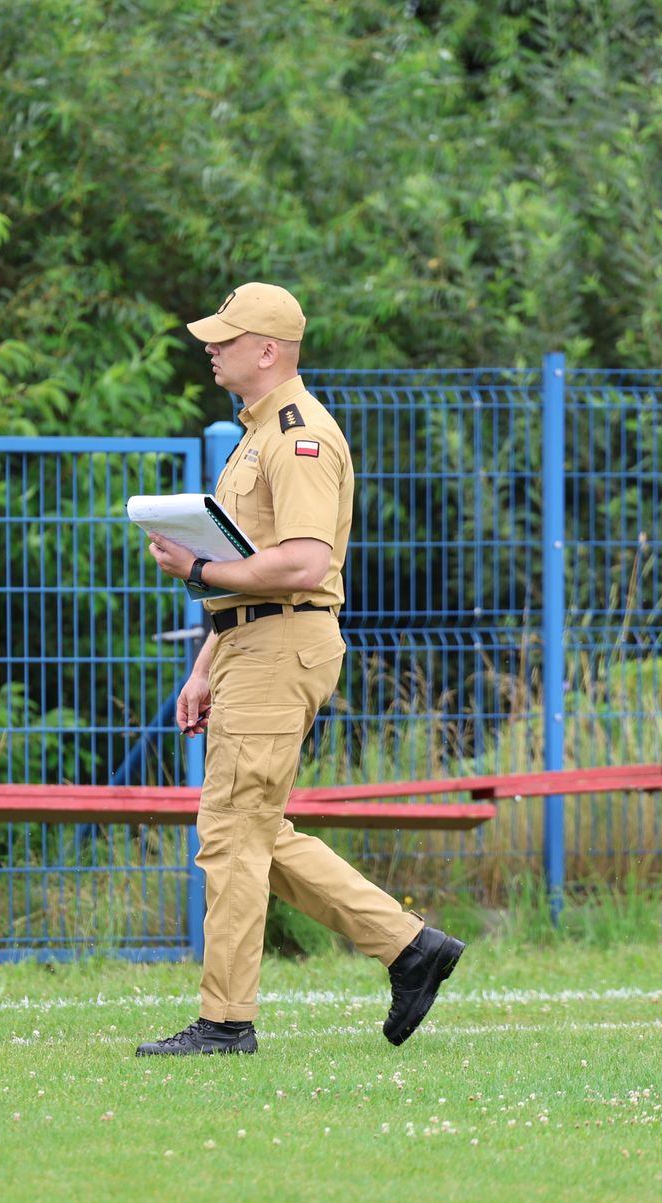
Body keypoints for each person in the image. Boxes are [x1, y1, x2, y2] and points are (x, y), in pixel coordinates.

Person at [138, 281, 467, 1056]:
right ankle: (410, 947)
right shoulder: (253, 436)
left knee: (230, 831)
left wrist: (196, 572)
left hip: (283, 644)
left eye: (224, 337)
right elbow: (246, 564)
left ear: (267, 350)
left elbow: (301, 565)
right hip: (251, 643)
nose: (210, 348)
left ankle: (226, 1022)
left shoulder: (299, 437)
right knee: (253, 829)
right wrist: (203, 663)